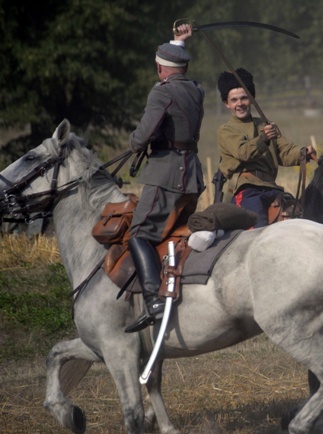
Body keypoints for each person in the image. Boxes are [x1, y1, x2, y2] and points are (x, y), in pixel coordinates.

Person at [125, 24, 205, 333]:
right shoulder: (196, 90)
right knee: (175, 235)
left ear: (160, 68)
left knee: (140, 233)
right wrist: (178, 42)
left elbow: (143, 134)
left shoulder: (161, 92)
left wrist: (134, 142)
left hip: (167, 175)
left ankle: (152, 298)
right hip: (192, 176)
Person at [216, 68, 314, 228]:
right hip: (246, 190)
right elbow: (243, 152)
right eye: (234, 100)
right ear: (226, 103)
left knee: (301, 219)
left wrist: (303, 153)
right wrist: (263, 138)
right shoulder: (226, 130)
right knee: (258, 231)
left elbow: (285, 151)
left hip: (272, 189)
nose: (239, 104)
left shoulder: (265, 125)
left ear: (252, 99)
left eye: (244, 98)